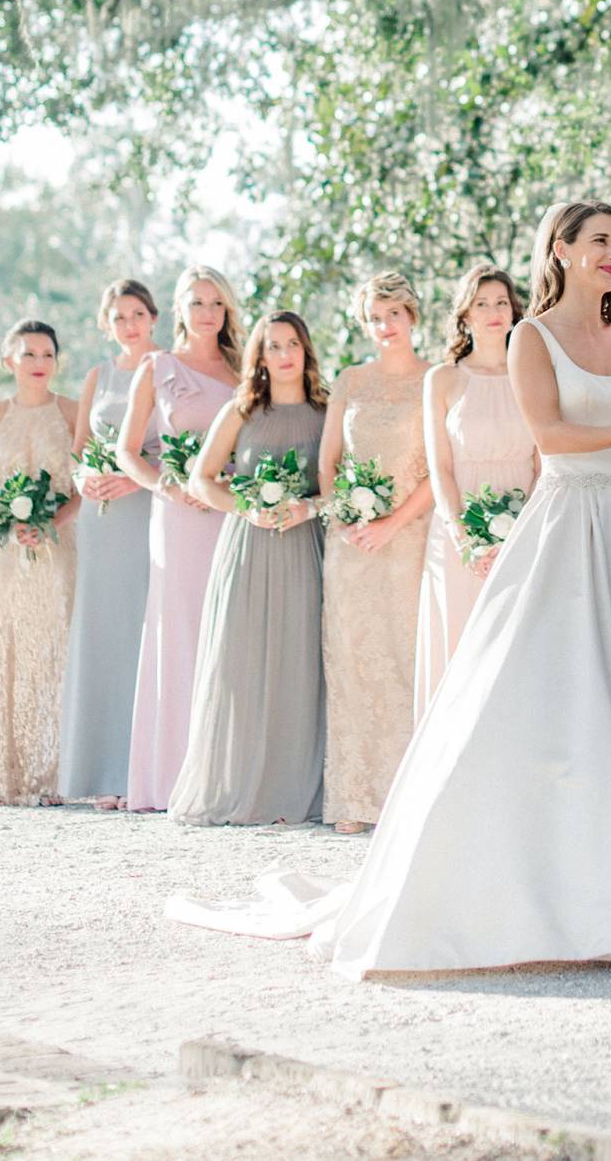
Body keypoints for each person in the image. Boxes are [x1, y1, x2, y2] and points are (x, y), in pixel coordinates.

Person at [167, 201, 611, 976]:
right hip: (566, 524)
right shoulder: (531, 336)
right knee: (558, 707)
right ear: (560, 248)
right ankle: (578, 899)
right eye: (598, 242)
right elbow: (550, 435)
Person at [169, 311, 328, 827]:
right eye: (272, 346)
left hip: (305, 546)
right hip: (249, 548)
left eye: (292, 345)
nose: (283, 355)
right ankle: (241, 784)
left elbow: (340, 485)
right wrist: (247, 507)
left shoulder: (326, 412)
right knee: (244, 664)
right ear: (258, 356)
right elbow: (202, 479)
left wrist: (309, 507)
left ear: (306, 351)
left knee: (301, 662)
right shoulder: (241, 409)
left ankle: (296, 787)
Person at [119, 264, 242, 812]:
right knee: (179, 631)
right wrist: (165, 486)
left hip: (229, 512)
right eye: (197, 303)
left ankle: (229, 773)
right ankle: (170, 774)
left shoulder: (244, 370)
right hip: (177, 517)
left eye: (216, 303)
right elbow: (128, 449)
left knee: (230, 630)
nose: (208, 314)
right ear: (180, 310)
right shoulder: (157, 367)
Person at [319, 271, 434, 832]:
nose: (384, 325)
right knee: (353, 659)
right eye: (374, 317)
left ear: (412, 315)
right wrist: (342, 512)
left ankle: (407, 796)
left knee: (407, 658)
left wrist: (393, 523)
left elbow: (442, 470)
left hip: (410, 539)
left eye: (393, 313)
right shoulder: (349, 380)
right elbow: (328, 459)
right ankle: (355, 798)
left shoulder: (437, 379)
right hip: (350, 545)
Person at [0, 319, 80, 807]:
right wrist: (8, 523)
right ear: (8, 360)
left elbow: (82, 486)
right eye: (28, 354)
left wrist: (53, 520)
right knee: (6, 650)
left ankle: (57, 772)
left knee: (57, 649)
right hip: (2, 554)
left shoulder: (74, 412)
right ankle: (5, 773)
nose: (39, 363)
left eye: (47, 354)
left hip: (59, 551)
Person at [415, 263, 537, 716]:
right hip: (457, 534)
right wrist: (463, 535)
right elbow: (440, 465)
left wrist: (523, 532)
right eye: (481, 303)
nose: (492, 312)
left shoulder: (533, 374)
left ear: (513, 311)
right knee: (459, 644)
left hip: (526, 526)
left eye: (501, 302)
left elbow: (543, 464)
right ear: (464, 315)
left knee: (515, 645)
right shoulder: (443, 380)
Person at [57, 278, 160, 809]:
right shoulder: (97, 377)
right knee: (104, 632)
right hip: (101, 517)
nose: (129, 325)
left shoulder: (168, 369)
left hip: (151, 511)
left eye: (138, 314)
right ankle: (103, 769)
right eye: (119, 317)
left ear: (154, 318)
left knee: (147, 629)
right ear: (106, 324)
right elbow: (79, 450)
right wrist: (85, 479)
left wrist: (140, 475)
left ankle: (148, 767)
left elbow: (190, 442)